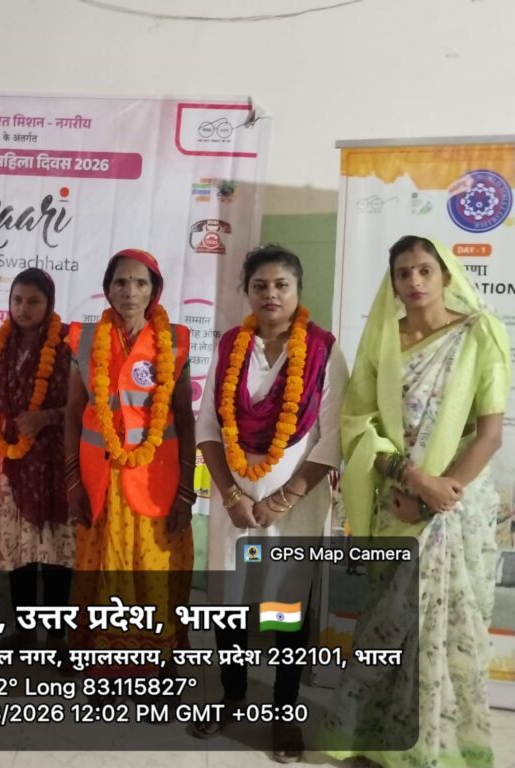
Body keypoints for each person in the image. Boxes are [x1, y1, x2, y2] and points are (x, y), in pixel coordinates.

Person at [326, 236, 509, 768]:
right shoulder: (382, 340)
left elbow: (489, 434)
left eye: (425, 270)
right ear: (393, 281)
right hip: (396, 503)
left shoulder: (479, 334)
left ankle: (440, 747)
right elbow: (359, 426)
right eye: (403, 272)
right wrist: (411, 479)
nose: (415, 281)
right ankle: (376, 741)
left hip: (456, 505)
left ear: (445, 275)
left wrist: (434, 496)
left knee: (446, 628)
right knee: (387, 624)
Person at [190, 245, 349, 761]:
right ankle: (233, 695)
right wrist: (232, 495)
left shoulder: (324, 350)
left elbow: (333, 437)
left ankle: (284, 713)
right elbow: (208, 425)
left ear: (298, 290)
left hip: (295, 508)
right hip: (234, 506)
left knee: (286, 609)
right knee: (230, 606)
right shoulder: (230, 346)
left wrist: (285, 497)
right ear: (247, 292)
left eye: (282, 285)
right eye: (260, 285)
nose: (271, 294)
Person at [64, 248, 195, 666]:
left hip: (157, 483)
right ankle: (105, 665)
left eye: (140, 283)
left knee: (153, 569)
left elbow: (184, 418)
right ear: (107, 289)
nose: (130, 291)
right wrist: (72, 482)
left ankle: (155, 663)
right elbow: (72, 414)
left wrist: (187, 491)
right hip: (99, 482)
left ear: (155, 290)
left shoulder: (173, 341)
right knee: (98, 567)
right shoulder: (84, 340)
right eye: (120, 282)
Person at [0, 268, 73, 650]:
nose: (24, 308)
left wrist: (45, 417)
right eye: (17, 300)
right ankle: (24, 629)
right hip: (12, 461)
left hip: (54, 461)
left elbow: (83, 407)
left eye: (34, 301)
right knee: (19, 549)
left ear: (49, 303)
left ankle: (57, 635)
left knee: (54, 550)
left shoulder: (66, 344)